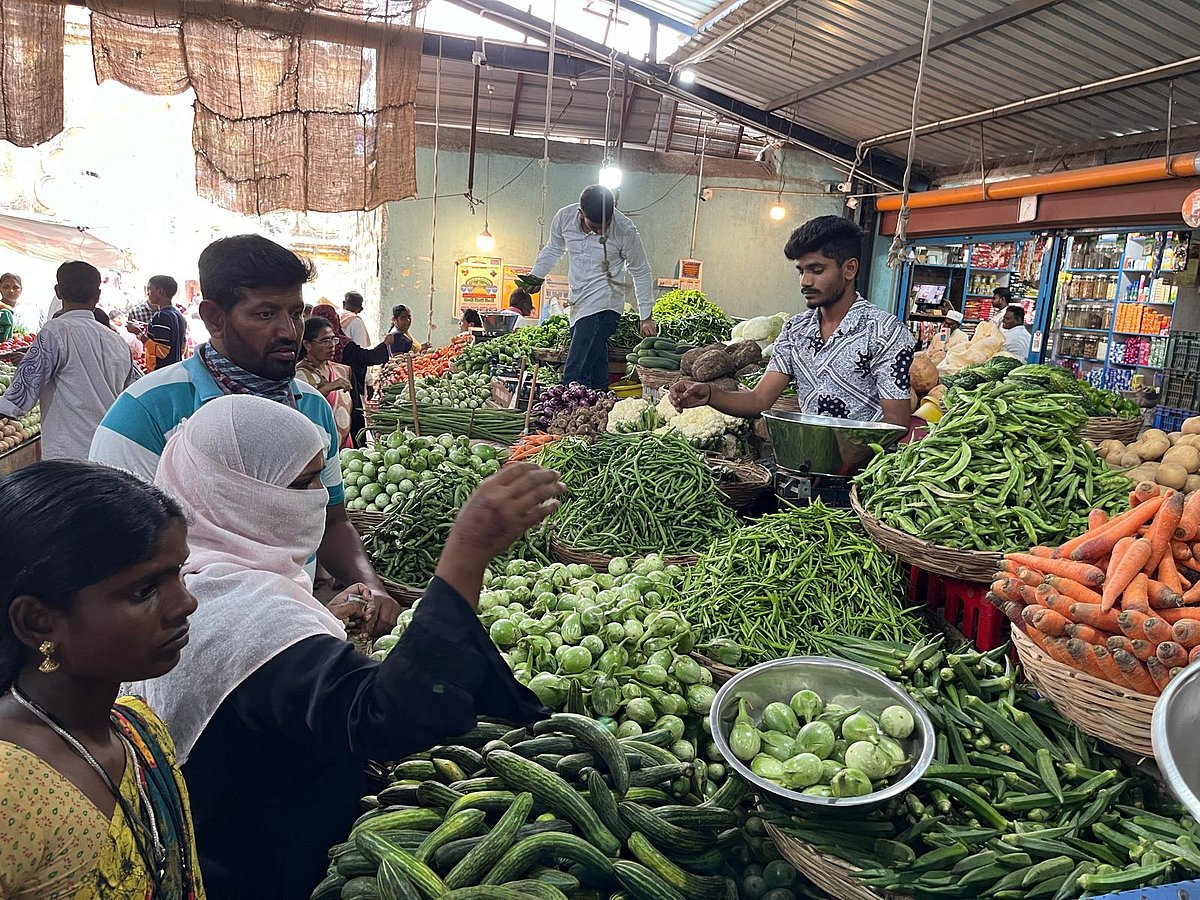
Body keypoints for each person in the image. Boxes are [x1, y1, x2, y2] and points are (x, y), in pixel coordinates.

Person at [127, 395, 560, 899]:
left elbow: (264, 674)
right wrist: (467, 550)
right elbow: (391, 715)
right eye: (302, 483)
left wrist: (324, 623)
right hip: (266, 865)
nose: (319, 498)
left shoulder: (200, 572)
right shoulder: (239, 607)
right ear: (239, 490)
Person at [89, 234, 399, 636]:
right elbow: (121, 564)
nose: (290, 332)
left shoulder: (311, 408)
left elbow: (332, 520)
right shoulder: (145, 412)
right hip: (182, 645)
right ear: (215, 317)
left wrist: (371, 587)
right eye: (265, 314)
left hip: (289, 633)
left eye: (296, 312)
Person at [0, 461, 204, 898]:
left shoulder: (138, 731)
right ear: (38, 622)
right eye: (144, 590)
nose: (184, 603)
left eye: (180, 573)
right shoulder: (9, 788)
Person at [670, 216, 915, 427]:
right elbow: (759, 400)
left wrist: (840, 456)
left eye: (816, 270)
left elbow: (895, 422)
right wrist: (710, 395)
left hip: (864, 476)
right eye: (801, 271)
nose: (805, 281)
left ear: (849, 269)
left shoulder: (886, 332)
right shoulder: (796, 330)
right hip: (807, 465)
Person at [0, 262, 140, 460]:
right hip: (108, 451)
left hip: (67, 455)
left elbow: (19, 397)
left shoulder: (54, 332)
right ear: (97, 296)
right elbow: (133, 393)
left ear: (58, 291)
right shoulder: (117, 341)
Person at [525, 185, 656, 390]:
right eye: (595, 227)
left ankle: (568, 413)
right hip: (578, 303)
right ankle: (601, 406)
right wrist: (536, 276)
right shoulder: (564, 218)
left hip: (605, 305)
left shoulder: (625, 230)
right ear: (580, 213)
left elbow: (640, 271)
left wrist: (646, 315)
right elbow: (553, 249)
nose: (601, 232)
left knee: (575, 373)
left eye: (605, 226)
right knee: (594, 366)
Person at [309, 304, 392, 446]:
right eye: (324, 341)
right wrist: (385, 345)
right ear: (307, 344)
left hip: (344, 436)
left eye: (332, 340)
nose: (331, 346)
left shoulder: (341, 370)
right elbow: (305, 404)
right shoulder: (301, 373)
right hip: (319, 439)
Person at [134, 276, 187, 371]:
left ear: (160, 291)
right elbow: (182, 347)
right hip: (175, 370)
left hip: (161, 373)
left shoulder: (161, 316)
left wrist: (139, 334)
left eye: (150, 289)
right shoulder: (179, 316)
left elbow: (162, 352)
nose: (147, 293)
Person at [0, 273, 20, 342]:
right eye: (6, 287)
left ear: (21, 289)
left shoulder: (32, 311)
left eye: (15, 287)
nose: (11, 290)